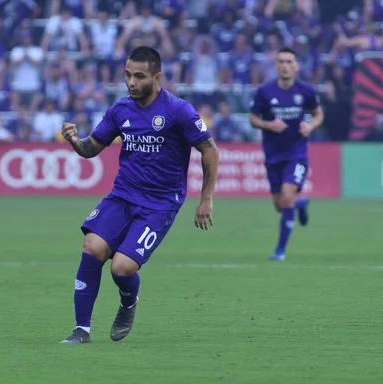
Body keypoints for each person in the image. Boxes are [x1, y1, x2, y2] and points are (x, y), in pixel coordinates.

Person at [59, 46, 220, 344]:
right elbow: (91, 148)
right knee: (92, 246)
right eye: (128, 75)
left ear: (157, 77)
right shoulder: (121, 109)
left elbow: (209, 149)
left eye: (140, 77)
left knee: (122, 268)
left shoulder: (178, 110)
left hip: (160, 204)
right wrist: (74, 141)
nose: (132, 82)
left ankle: (128, 302)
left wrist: (206, 198)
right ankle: (82, 330)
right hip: (123, 195)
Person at [249, 47, 324, 261]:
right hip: (273, 155)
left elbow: (318, 114)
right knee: (280, 205)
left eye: (289, 62)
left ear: (296, 66)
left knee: (288, 193)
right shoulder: (265, 91)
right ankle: (301, 204)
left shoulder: (306, 91)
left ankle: (280, 250)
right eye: (281, 61)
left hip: (297, 153)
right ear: (276, 65)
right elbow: (253, 119)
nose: (285, 65)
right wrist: (269, 124)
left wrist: (311, 126)